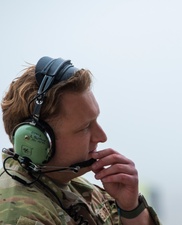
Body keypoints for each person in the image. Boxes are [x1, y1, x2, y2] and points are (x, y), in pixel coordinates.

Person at [0, 56, 161, 225]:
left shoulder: (74, 185)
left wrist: (131, 209)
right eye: (84, 127)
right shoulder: (19, 214)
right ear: (37, 139)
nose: (101, 136)